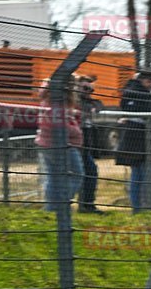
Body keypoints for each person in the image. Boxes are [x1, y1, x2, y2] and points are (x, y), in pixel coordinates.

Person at [115, 70, 151, 212]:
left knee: (137, 174)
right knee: (144, 175)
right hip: (143, 141)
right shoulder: (143, 96)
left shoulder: (128, 93)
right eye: (150, 82)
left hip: (131, 141)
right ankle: (144, 206)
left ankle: (139, 206)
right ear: (144, 80)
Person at [36, 77, 85, 212]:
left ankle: (52, 207)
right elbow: (56, 124)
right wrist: (75, 130)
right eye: (74, 86)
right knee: (77, 174)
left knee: (54, 177)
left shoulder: (50, 98)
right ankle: (60, 204)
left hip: (48, 143)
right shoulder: (56, 100)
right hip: (60, 144)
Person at [76, 75, 104, 213]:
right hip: (75, 144)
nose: (88, 92)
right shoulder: (74, 101)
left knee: (91, 172)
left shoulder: (90, 102)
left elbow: (99, 105)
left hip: (86, 145)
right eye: (85, 88)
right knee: (83, 173)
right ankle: (83, 204)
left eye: (90, 89)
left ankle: (87, 204)